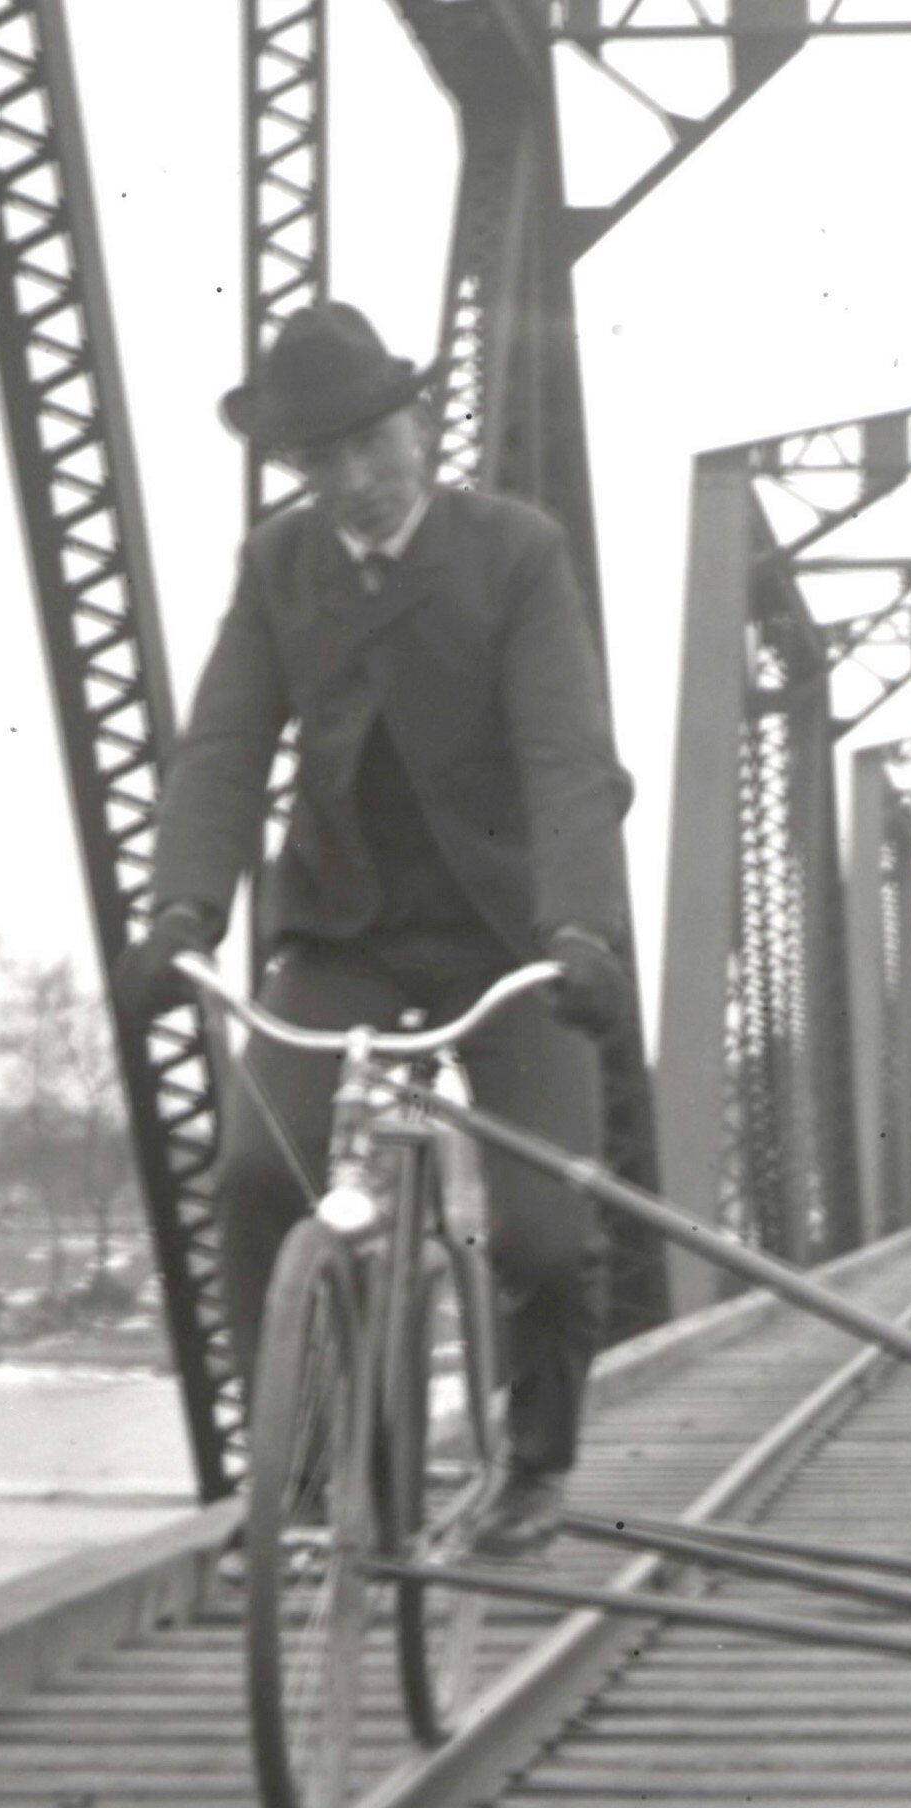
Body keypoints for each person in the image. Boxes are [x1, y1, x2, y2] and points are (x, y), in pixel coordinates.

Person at [117, 303, 638, 1561]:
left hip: (510, 938)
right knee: (256, 1170)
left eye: (366, 445)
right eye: (316, 460)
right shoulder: (279, 566)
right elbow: (228, 746)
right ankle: (295, 1466)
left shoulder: (512, 550)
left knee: (542, 1230)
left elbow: (565, 753)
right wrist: (179, 906)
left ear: (415, 421)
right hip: (345, 928)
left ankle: (533, 1458)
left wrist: (579, 925)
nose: (349, 480)